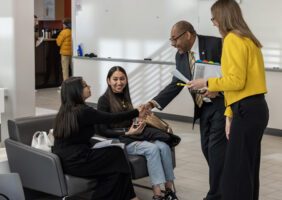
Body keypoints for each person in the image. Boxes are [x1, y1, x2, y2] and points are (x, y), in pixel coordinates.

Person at [187, 1, 269, 200]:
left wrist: (206, 81)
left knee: (234, 174)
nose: (213, 23)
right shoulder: (249, 39)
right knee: (246, 170)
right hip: (254, 108)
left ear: (222, 17)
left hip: (246, 110)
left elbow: (236, 81)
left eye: (214, 18)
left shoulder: (232, 39)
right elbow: (245, 84)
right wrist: (229, 114)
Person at [145, 21, 227, 200]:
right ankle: (224, 189)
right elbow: (176, 84)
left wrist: (218, 89)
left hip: (221, 106)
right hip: (203, 108)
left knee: (216, 151)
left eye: (175, 39)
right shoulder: (180, 56)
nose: (173, 44)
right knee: (208, 150)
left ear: (188, 35)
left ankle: (215, 195)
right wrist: (152, 103)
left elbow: (233, 73)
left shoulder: (215, 44)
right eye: (171, 40)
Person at [52, 76, 147, 200]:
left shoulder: (65, 111)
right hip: (78, 160)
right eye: (85, 85)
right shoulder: (83, 111)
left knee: (115, 171)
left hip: (67, 160)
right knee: (117, 154)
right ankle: (131, 197)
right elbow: (111, 118)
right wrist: (136, 112)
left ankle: (130, 197)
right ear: (76, 91)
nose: (89, 87)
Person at [97, 66, 179, 200]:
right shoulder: (104, 101)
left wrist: (140, 120)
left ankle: (169, 191)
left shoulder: (125, 97)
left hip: (133, 136)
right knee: (152, 149)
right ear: (108, 81)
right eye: (115, 79)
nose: (119, 82)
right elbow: (103, 131)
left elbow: (128, 122)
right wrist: (127, 133)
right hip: (120, 140)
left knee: (164, 146)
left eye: (122, 79)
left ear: (126, 80)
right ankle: (157, 195)